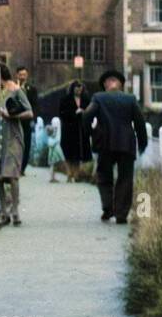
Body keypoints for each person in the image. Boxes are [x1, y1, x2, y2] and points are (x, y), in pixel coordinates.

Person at [82, 68, 148, 224]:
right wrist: (142, 143)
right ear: (121, 85)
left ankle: (107, 208)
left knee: (104, 176)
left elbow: (86, 116)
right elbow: (140, 123)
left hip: (104, 143)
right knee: (125, 178)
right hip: (126, 144)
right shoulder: (130, 99)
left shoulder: (98, 97)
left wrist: (91, 133)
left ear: (105, 84)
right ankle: (121, 214)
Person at [0, 66, 33, 225]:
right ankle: (4, 213)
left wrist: (12, 115)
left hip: (13, 135)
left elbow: (29, 112)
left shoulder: (17, 90)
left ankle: (15, 211)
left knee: (12, 174)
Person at [57, 80, 94, 180]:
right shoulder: (65, 99)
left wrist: (84, 112)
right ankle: (69, 173)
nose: (79, 90)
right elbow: (62, 113)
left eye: (80, 88)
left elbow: (91, 112)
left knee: (78, 153)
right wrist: (74, 113)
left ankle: (76, 174)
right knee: (69, 152)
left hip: (81, 130)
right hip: (69, 129)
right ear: (72, 88)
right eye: (77, 88)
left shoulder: (86, 99)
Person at [15, 66, 41, 171]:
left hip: (27, 120)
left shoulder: (32, 89)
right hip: (15, 120)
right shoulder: (12, 87)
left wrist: (33, 119)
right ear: (17, 75)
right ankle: (15, 167)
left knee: (26, 143)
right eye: (20, 75)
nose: (22, 77)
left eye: (24, 75)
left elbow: (35, 104)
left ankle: (22, 168)